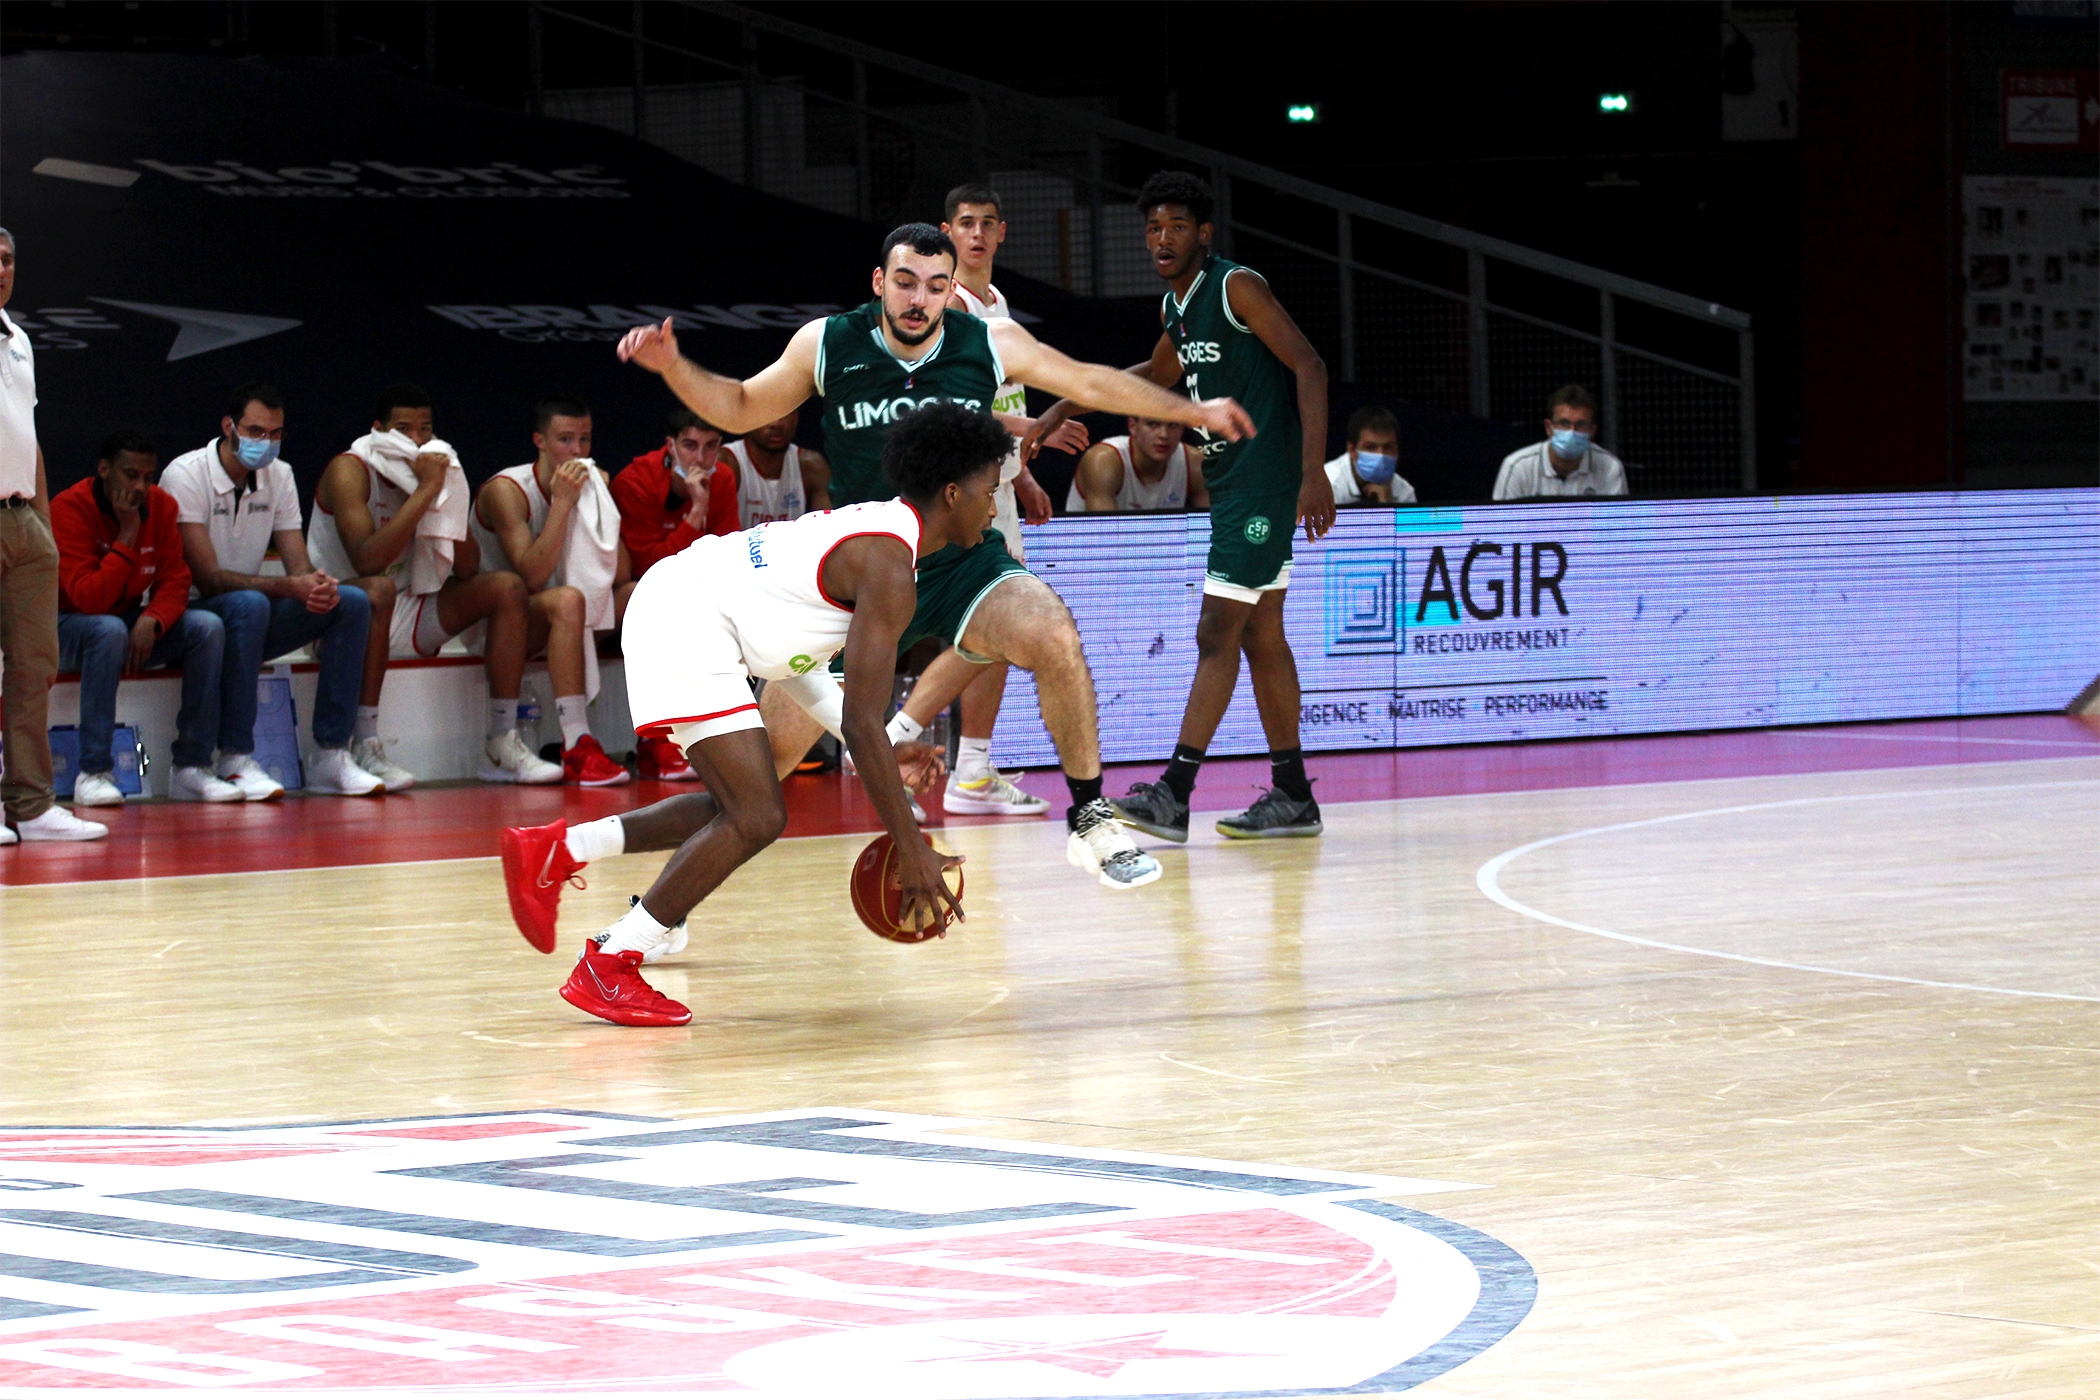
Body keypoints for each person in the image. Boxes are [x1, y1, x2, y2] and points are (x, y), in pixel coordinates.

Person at [614, 223, 1253, 890]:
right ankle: (658, 898)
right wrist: (673, 367)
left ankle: (1092, 820)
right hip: (860, 575)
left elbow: (1089, 381)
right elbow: (742, 407)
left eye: (935, 285)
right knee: (757, 778)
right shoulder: (829, 343)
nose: (919, 298)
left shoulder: (988, 341)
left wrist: (1194, 410)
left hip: (957, 558)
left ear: (953, 291)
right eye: (905, 282)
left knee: (1052, 632)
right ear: (879, 282)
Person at [497, 405, 1002, 1027]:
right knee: (758, 814)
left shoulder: (876, 533)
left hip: (684, 604)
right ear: (952, 493)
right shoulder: (889, 566)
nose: (994, 508)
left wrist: (886, 742)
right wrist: (911, 846)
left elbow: (805, 671)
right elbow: (864, 722)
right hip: (686, 617)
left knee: (734, 805)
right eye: (990, 492)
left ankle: (560, 850)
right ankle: (612, 962)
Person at [1064, 171, 1336, 844]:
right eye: (1153, 227)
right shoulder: (1174, 309)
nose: (1163, 238)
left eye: (1177, 226)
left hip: (1265, 480)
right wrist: (1065, 403)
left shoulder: (1234, 286)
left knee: (1218, 634)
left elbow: (1309, 365)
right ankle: (1294, 794)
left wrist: (1313, 474)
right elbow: (1155, 379)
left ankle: (1174, 792)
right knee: (1262, 637)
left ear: (1204, 234)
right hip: (1234, 480)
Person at [918, 184, 1087, 818]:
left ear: (1002, 232)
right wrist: (1035, 430)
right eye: (966, 223)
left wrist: (1022, 475)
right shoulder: (948, 307)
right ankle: (910, 753)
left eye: (988, 223)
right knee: (972, 629)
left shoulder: (997, 303)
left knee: (988, 634)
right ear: (948, 231)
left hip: (994, 489)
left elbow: (1004, 400)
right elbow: (958, 408)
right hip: (954, 494)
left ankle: (969, 773)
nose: (978, 234)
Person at [308, 382, 561, 788]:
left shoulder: (439, 470)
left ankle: (502, 741)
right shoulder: (350, 469)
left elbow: (469, 567)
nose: (416, 440)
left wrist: (445, 495)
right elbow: (367, 560)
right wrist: (425, 491)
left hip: (409, 608)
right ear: (378, 430)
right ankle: (364, 743)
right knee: (378, 588)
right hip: (342, 618)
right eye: (403, 429)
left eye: (424, 430)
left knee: (507, 588)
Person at [163, 381, 382, 798]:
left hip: (249, 614)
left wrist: (314, 585)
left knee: (350, 602)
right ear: (229, 426)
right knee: (250, 604)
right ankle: (234, 757)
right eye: (256, 432)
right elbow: (207, 579)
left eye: (276, 433)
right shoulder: (185, 473)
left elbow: (296, 563)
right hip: (193, 615)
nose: (266, 442)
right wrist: (288, 585)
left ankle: (331, 756)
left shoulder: (280, 475)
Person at [51, 430, 241, 805]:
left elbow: (176, 580)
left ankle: (191, 766)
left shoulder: (163, 506)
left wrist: (153, 619)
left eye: (147, 477)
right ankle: (93, 773)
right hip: (66, 627)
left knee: (207, 627)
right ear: (104, 470)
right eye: (130, 475)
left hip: (126, 621)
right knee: (106, 631)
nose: (140, 487)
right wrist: (127, 534)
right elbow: (89, 599)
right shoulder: (68, 508)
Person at [0, 225, 108, 843]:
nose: (3, 268)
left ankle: (33, 805)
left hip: (23, 520)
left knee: (35, 665)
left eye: (10, 258)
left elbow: (26, 435)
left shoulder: (19, 339)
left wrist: (41, 524)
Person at [470, 395, 634, 787]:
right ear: (539, 441)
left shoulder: (587, 486)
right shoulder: (506, 490)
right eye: (565, 440)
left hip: (563, 619)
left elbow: (622, 572)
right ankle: (577, 740)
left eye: (584, 440)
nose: (576, 452)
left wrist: (599, 501)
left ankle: (658, 737)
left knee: (637, 594)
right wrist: (563, 504)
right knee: (568, 600)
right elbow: (531, 578)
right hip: (501, 626)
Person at [612, 408, 741, 781]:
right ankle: (659, 738)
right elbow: (646, 567)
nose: (700, 459)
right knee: (660, 600)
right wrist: (696, 512)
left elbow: (727, 552)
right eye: (689, 446)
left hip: (695, 586)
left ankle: (723, 734)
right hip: (634, 593)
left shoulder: (725, 477)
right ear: (670, 445)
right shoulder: (633, 481)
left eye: (710, 446)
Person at [1492, 385, 1627, 500]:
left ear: (1592, 431)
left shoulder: (1610, 467)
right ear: (1548, 427)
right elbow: (1501, 526)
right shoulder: (1517, 466)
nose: (1572, 431)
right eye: (1564, 423)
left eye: (1581, 424)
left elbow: (1619, 526)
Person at [1066, 415, 1208, 512]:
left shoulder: (1194, 462)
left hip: (1161, 551)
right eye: (1152, 424)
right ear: (1132, 425)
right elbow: (1105, 537)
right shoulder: (1103, 460)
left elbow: (1212, 529)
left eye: (1173, 425)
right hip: (1089, 552)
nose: (1164, 435)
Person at [722, 406, 831, 529]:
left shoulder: (811, 466)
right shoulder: (728, 463)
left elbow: (829, 530)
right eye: (766, 413)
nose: (776, 423)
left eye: (784, 413)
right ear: (747, 419)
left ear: (796, 418)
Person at [1323, 406, 1416, 507]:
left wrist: (1387, 504)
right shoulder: (1329, 485)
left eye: (1388, 447)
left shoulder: (1405, 492)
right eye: (1371, 447)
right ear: (1352, 450)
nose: (1381, 455)